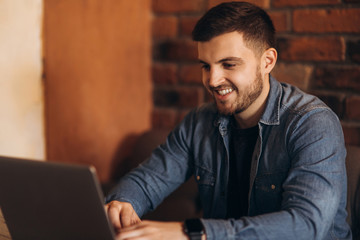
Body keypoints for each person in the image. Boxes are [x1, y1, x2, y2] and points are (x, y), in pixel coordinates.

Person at [105, 2, 352, 239]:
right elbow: (147, 180)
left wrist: (191, 233)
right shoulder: (198, 122)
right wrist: (121, 203)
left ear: (267, 61)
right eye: (205, 66)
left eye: (228, 64)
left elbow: (306, 227)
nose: (212, 80)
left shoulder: (312, 123)